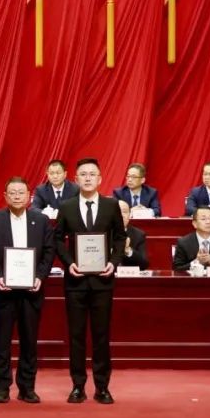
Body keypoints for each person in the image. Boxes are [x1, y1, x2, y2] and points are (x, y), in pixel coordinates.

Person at [54, 157, 126, 405]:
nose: (87, 178)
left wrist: (113, 262)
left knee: (101, 335)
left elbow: (120, 237)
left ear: (100, 179)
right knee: (76, 336)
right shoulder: (66, 207)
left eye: (92, 174)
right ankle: (78, 386)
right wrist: (68, 263)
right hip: (75, 281)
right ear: (75, 179)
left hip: (102, 281)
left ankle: (102, 387)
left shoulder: (111, 205)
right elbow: (57, 239)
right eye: (83, 174)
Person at [0, 177, 55, 404]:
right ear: (5, 196)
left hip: (32, 291)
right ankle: (2, 387)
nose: (17, 196)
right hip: (3, 290)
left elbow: (49, 251)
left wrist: (40, 276)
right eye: (12, 192)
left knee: (29, 342)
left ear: (29, 196)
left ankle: (27, 387)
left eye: (21, 192)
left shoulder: (41, 220)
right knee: (1, 343)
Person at [172, 206, 210, 271]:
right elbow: (177, 268)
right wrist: (196, 262)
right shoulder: (183, 242)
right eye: (203, 219)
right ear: (194, 223)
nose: (208, 222)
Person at [117, 200, 149, 270]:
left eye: (124, 212)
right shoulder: (103, 232)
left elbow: (144, 265)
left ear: (130, 215)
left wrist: (128, 250)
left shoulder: (138, 234)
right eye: (118, 211)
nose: (121, 215)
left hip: (127, 275)